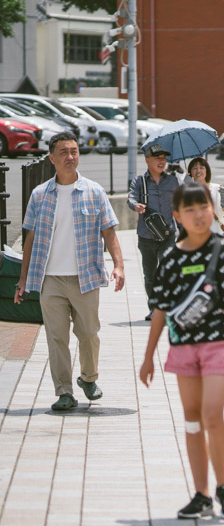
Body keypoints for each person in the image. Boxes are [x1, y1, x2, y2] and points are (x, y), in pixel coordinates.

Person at [139, 181, 224, 521]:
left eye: (203, 208)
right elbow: (160, 309)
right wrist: (147, 356)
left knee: (212, 414)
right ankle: (201, 494)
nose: (199, 215)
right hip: (183, 347)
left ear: (212, 210)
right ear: (177, 217)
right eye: (190, 210)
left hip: (220, 343)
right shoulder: (170, 258)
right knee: (192, 420)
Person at [15, 132, 125, 412]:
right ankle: (64, 391)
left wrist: (119, 265)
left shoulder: (94, 191)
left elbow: (109, 231)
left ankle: (88, 378)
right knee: (56, 338)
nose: (70, 157)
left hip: (84, 278)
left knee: (89, 334)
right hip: (49, 278)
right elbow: (29, 238)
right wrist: (23, 279)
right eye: (63, 152)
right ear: (51, 158)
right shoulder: (40, 194)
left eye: (74, 151)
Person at [128, 142, 181, 321]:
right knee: (150, 275)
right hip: (146, 236)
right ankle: (154, 308)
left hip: (168, 235)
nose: (162, 162)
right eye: (158, 159)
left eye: (164, 159)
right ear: (148, 161)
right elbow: (131, 197)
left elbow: (184, 199)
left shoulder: (173, 180)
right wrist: (136, 206)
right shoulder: (139, 181)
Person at [187, 156, 224, 237]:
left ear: (207, 171)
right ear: (190, 172)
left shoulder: (216, 188)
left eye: (201, 168)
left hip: (216, 233)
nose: (198, 171)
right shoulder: (187, 190)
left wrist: (223, 198)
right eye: (194, 168)